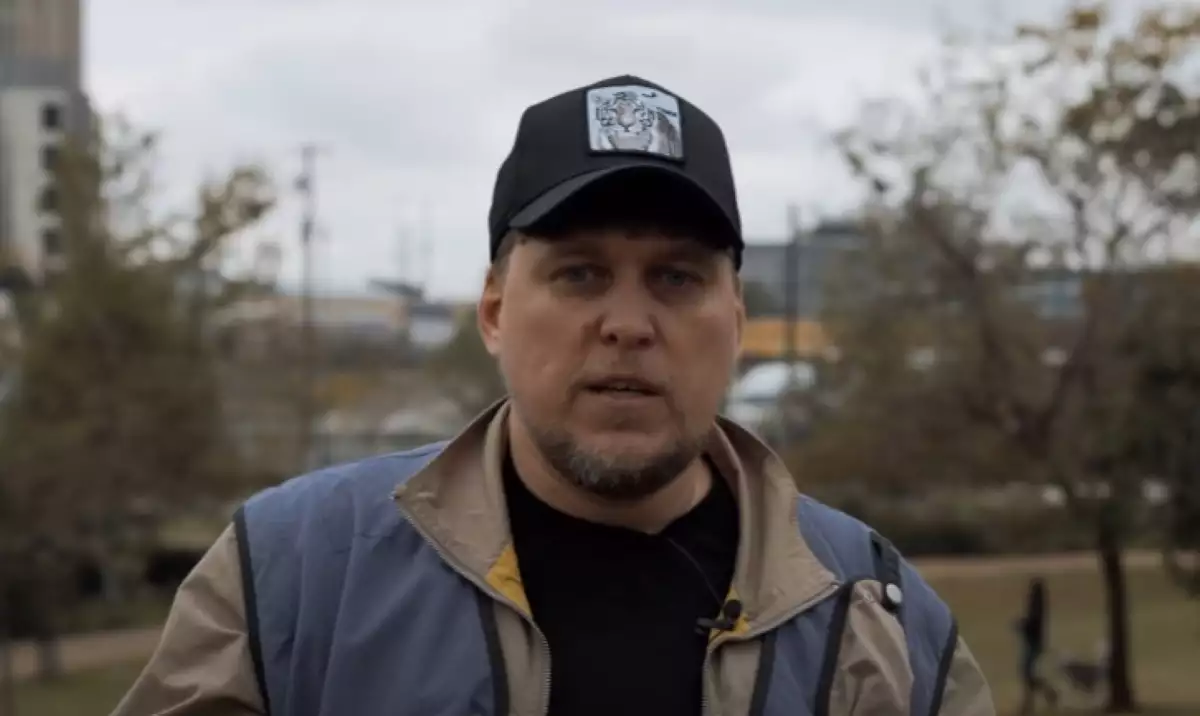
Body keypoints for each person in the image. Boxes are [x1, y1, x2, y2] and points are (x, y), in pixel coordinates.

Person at [111, 75, 995, 716]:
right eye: (578, 274)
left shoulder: (876, 620)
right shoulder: (297, 579)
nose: (628, 324)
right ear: (495, 311)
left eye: (677, 278)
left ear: (734, 318)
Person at [1017, 577, 1058, 714]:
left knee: (1028, 675)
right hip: (1034, 643)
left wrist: (1021, 625)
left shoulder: (1036, 607)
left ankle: (1037, 699)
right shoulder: (1038, 607)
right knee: (1029, 675)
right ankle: (1036, 700)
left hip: (1033, 644)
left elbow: (1032, 624)